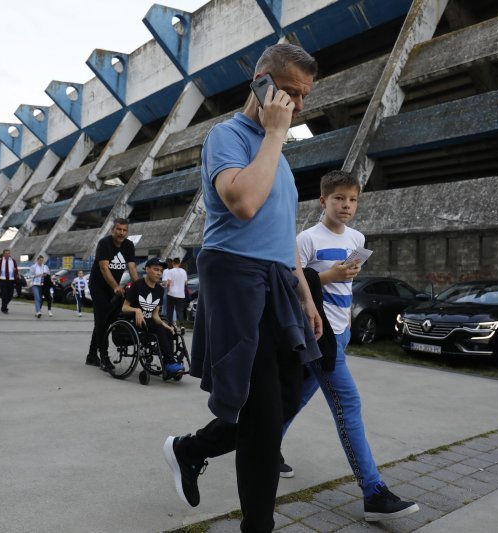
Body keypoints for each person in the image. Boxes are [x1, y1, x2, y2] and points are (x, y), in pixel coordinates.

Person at [162, 43, 323, 533]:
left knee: (288, 394)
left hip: (278, 280)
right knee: (261, 412)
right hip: (234, 274)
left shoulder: (282, 158)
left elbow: (282, 233)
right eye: (291, 92)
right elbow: (245, 204)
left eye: (304, 96)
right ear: (261, 83)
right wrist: (274, 133)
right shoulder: (225, 136)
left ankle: (190, 450)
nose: (298, 105)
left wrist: (305, 294)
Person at [281, 170, 419, 521]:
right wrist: (330, 276)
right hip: (318, 334)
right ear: (323, 201)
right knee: (349, 403)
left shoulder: (356, 237)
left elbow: (346, 286)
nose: (346, 205)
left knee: (296, 396)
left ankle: (261, 446)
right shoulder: (306, 240)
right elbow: (294, 287)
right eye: (339, 198)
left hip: (342, 332)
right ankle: (373, 492)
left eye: (353, 199)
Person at [86, 218, 139, 367]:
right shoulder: (104, 243)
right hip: (98, 287)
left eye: (124, 230)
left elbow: (132, 268)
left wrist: (140, 286)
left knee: (105, 321)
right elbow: (104, 268)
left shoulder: (128, 246)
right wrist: (116, 287)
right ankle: (104, 357)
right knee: (102, 320)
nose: (122, 233)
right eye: (119, 229)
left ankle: (91, 355)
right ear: (113, 230)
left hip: (113, 288)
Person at [122, 258, 184, 374]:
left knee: (168, 330)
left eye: (161, 271)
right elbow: (124, 307)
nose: (159, 273)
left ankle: (168, 362)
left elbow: (155, 315)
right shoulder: (137, 285)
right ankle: (169, 362)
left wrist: (166, 325)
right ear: (147, 269)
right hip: (135, 322)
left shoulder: (160, 290)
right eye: (156, 269)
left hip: (150, 322)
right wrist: (137, 310)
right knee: (159, 330)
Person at [0, 249, 19, 314]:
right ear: (3, 254)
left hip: (11, 280)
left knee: (10, 295)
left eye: (8, 253)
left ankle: (4, 305)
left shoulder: (13, 261)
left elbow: (16, 269)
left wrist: (16, 273)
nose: (7, 254)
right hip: (3, 280)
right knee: (4, 295)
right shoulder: (0, 261)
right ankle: (4, 308)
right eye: (6, 253)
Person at [165, 258, 188, 324]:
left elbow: (168, 282)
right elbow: (186, 283)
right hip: (181, 294)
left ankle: (169, 325)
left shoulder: (170, 271)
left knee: (170, 310)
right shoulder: (184, 271)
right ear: (179, 263)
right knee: (179, 311)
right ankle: (182, 326)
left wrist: (168, 291)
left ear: (173, 263)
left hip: (171, 294)